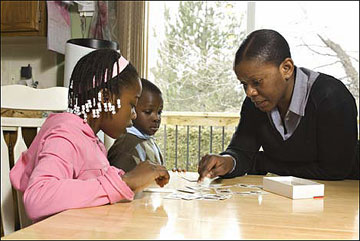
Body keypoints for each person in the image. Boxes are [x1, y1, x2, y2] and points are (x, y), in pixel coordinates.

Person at [9, 49, 170, 222]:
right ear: (106, 97)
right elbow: (37, 198)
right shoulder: (65, 135)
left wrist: (137, 179)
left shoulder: (92, 141)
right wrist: (125, 182)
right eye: (131, 105)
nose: (134, 115)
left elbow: (96, 189)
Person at [198, 29, 359, 181]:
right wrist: (228, 161)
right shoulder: (254, 104)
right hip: (286, 196)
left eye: (256, 82)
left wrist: (263, 162)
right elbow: (242, 151)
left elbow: (335, 171)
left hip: (340, 195)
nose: (249, 92)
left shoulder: (332, 98)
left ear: (286, 69)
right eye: (244, 84)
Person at [108, 78, 164, 172]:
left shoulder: (147, 140)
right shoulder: (126, 146)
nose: (156, 118)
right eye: (148, 112)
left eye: (159, 112)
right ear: (132, 110)